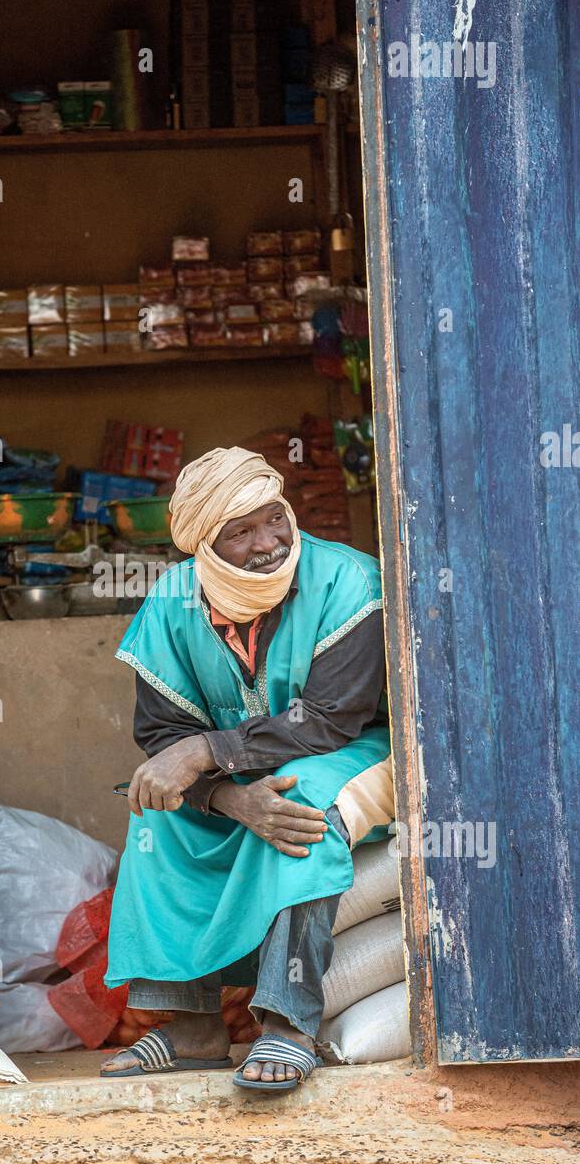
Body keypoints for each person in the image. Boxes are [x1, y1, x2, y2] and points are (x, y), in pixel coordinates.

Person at [101, 446, 394, 1093]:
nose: (266, 544)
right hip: (239, 769)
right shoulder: (173, 601)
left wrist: (208, 755)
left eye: (273, 520)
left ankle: (288, 1022)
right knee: (157, 818)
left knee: (299, 808)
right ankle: (191, 1025)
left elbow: (329, 719)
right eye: (240, 532)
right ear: (203, 545)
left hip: (351, 751)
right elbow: (161, 733)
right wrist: (229, 797)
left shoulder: (348, 581)